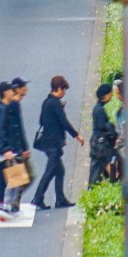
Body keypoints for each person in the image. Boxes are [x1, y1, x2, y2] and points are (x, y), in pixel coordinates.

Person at [31, 75, 82, 209]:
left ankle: (60, 199)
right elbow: (63, 122)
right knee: (50, 171)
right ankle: (37, 198)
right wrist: (76, 135)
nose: (64, 93)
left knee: (60, 171)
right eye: (63, 90)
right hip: (53, 143)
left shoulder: (46, 102)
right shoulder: (55, 103)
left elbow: (41, 121)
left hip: (47, 142)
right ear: (58, 88)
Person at [0, 78, 30, 219]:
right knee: (5, 179)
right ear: (5, 93)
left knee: (15, 178)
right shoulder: (1, 109)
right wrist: (6, 149)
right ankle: (1, 207)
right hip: (4, 150)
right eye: (10, 90)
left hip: (10, 149)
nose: (13, 92)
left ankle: (9, 207)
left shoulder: (6, 107)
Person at [89, 83, 120, 184]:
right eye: (110, 94)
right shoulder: (99, 110)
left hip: (97, 144)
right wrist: (113, 131)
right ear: (106, 95)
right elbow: (104, 126)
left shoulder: (97, 108)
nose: (111, 97)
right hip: (101, 145)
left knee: (98, 168)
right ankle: (113, 181)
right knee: (107, 165)